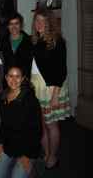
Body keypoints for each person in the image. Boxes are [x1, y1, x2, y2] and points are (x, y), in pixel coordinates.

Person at [30, 9, 71, 169]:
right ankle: (46, 153)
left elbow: (61, 70)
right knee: (41, 123)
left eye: (43, 20)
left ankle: (53, 157)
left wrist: (55, 95)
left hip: (50, 87)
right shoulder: (35, 39)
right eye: (37, 20)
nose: (39, 23)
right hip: (36, 86)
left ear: (49, 23)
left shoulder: (57, 40)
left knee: (51, 124)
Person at [0, 66, 42, 178]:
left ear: (23, 79)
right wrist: (0, 144)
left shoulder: (30, 100)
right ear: (6, 77)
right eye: (11, 76)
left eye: (17, 76)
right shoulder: (2, 97)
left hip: (27, 148)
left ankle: (32, 170)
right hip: (9, 145)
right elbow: (3, 125)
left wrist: (27, 155)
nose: (14, 80)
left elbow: (37, 131)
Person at [0, 12, 33, 79]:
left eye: (16, 23)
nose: (14, 27)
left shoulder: (30, 42)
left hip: (24, 81)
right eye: (11, 24)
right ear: (7, 26)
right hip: (8, 81)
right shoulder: (2, 42)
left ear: (21, 25)